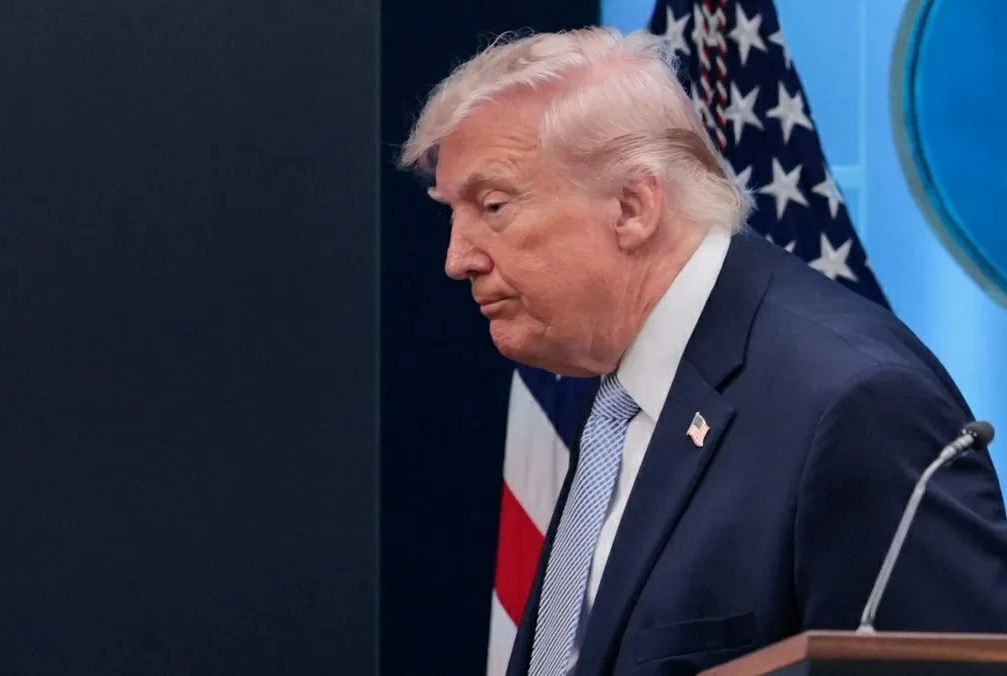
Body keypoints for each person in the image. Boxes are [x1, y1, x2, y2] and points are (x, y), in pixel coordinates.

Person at [397, 26, 1007, 676]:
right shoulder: (622, 390)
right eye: (453, 213)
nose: (457, 259)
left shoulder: (854, 400)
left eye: (493, 205)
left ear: (632, 207)